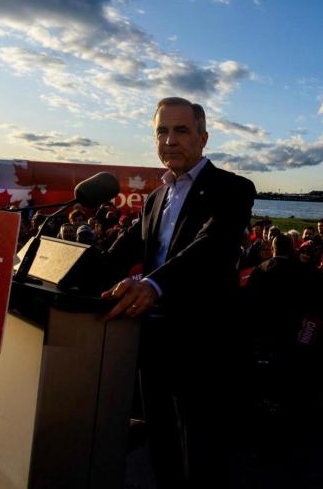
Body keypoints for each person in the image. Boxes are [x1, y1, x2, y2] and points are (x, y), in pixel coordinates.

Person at [103, 97, 255, 487]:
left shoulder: (232, 188)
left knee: (202, 455)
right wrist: (56, 272)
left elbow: (211, 245)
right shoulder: (156, 198)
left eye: (181, 130)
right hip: (152, 343)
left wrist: (153, 285)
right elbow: (121, 254)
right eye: (162, 131)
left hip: (202, 346)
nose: (170, 140)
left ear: (203, 137)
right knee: (162, 447)